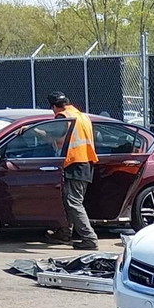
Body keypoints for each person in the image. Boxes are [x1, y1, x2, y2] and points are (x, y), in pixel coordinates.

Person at [46, 91, 99, 250]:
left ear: (55, 107)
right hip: (86, 163)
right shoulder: (82, 116)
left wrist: (31, 130)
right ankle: (64, 232)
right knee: (70, 201)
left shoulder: (64, 117)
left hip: (75, 163)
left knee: (73, 202)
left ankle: (89, 239)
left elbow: (53, 136)